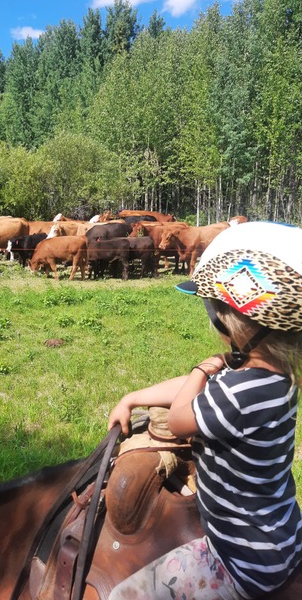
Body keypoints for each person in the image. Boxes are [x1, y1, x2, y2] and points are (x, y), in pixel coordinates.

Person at [107, 221, 302, 599]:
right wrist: (134, 398)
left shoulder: (238, 390)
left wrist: (201, 368)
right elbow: (197, 390)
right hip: (281, 535)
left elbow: (181, 419)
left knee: (122, 597)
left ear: (231, 320)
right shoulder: (273, 379)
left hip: (239, 560)